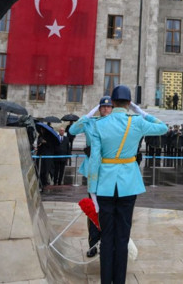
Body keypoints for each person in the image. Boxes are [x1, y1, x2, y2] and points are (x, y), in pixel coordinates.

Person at [89, 85, 168, 283]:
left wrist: (92, 190)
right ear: (129, 103)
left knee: (106, 236)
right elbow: (162, 127)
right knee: (123, 235)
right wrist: (140, 111)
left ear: (112, 103)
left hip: (105, 185)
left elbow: (94, 160)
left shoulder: (100, 124)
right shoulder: (137, 122)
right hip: (128, 184)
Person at [69, 96, 113, 257]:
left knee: (108, 209)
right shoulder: (90, 123)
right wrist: (89, 114)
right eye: (103, 107)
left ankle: (106, 242)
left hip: (109, 171)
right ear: (99, 108)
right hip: (93, 172)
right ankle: (93, 243)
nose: (106, 110)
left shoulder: (116, 124)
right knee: (94, 208)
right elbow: (73, 130)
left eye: (109, 107)